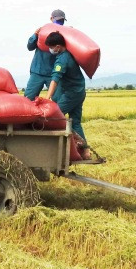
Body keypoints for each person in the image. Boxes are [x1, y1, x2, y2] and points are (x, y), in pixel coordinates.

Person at [44, 31, 90, 159]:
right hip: (80, 92)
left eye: (51, 47)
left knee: (55, 117)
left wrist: (47, 98)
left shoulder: (62, 60)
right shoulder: (69, 55)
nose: (50, 50)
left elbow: (55, 79)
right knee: (75, 123)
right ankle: (85, 152)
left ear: (58, 47)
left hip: (71, 94)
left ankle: (55, 150)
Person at [25, 9, 66, 100]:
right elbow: (30, 47)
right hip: (37, 71)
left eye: (61, 20)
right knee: (28, 98)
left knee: (58, 99)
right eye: (57, 20)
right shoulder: (42, 31)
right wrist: (35, 34)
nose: (59, 22)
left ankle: (54, 114)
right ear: (51, 18)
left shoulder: (65, 34)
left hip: (53, 73)